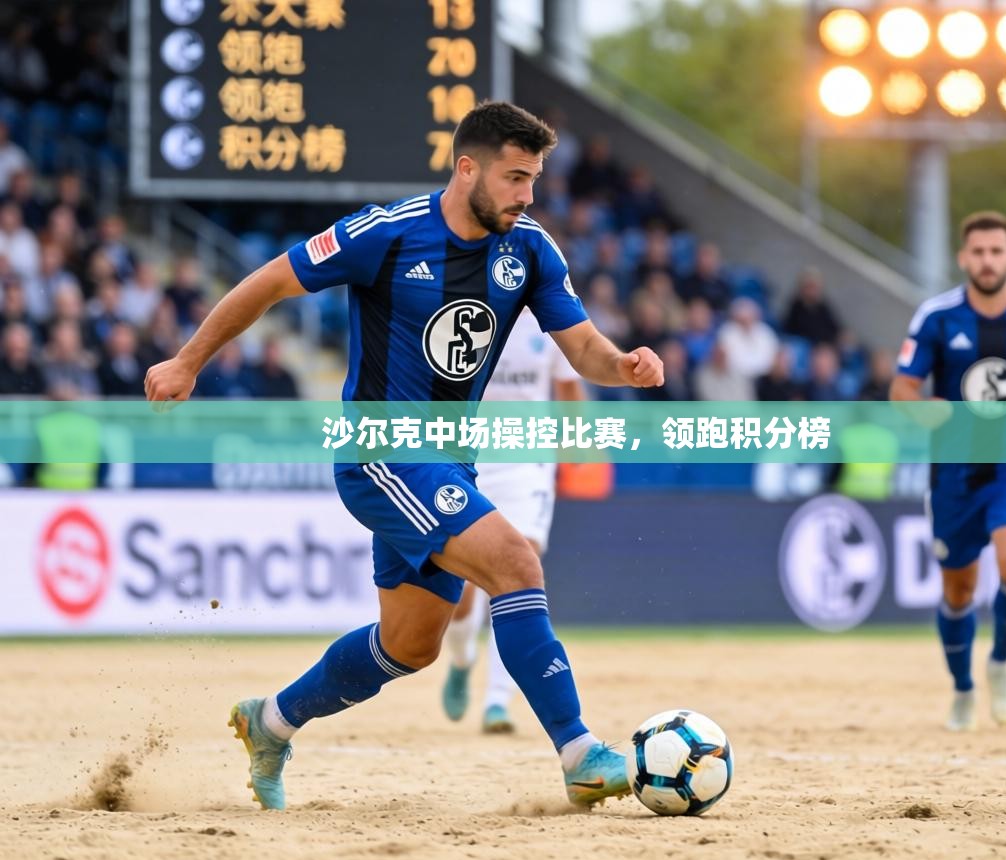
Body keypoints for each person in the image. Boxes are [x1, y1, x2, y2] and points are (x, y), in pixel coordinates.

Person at [144, 101, 664, 810]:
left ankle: (270, 722)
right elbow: (270, 281)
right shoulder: (385, 233)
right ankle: (580, 754)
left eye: (533, 180)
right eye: (515, 178)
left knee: (411, 645)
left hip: (450, 460)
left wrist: (623, 365)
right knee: (516, 563)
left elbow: (583, 350)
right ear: (467, 168)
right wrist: (187, 360)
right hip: (380, 451)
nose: (526, 195)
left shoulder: (531, 250)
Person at [889, 211, 1006, 732]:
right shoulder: (936, 317)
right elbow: (902, 388)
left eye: (997, 251)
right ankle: (963, 689)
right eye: (979, 252)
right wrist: (923, 410)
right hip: (953, 475)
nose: (988, 261)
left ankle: (999, 662)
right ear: (963, 258)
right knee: (959, 591)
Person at [441, 307, 585, 734]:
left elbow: (568, 385)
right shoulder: (466, 307)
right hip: (469, 461)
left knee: (520, 575)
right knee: (464, 593)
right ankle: (462, 659)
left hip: (528, 465)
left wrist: (575, 440)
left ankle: (496, 702)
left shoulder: (552, 315)